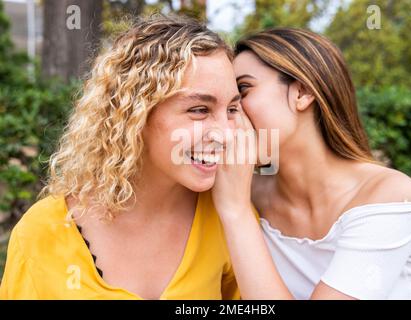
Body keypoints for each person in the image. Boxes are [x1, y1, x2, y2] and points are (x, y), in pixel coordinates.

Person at [0, 14, 244, 300]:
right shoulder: (40, 234)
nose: (226, 134)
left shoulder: (229, 218)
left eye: (231, 110)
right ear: (134, 115)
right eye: (200, 110)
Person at [211, 27, 411, 300]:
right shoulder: (245, 191)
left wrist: (236, 212)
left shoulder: (390, 196)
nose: (230, 112)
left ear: (302, 92)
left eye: (243, 90)